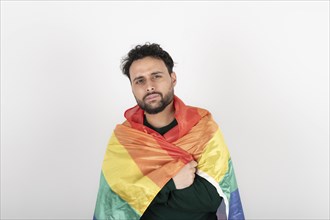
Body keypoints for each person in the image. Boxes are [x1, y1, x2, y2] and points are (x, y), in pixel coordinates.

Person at [93, 43, 244, 220]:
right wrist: (170, 183)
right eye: (139, 80)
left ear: (173, 79)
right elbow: (116, 202)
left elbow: (209, 199)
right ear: (132, 88)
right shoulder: (124, 139)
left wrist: (143, 194)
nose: (149, 86)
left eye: (156, 76)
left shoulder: (202, 128)